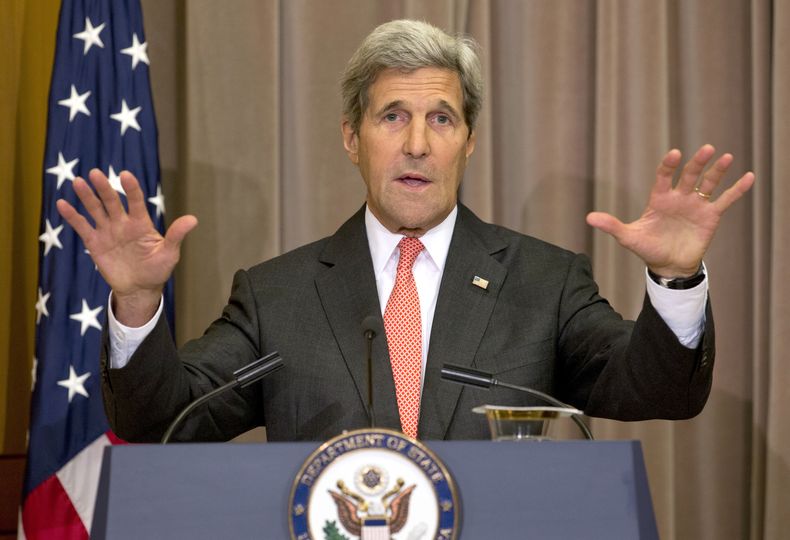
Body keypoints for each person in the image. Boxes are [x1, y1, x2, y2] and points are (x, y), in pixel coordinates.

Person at [57, 20, 754, 442]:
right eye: (392, 116)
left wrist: (675, 280)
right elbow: (160, 421)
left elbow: (659, 391)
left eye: (442, 119)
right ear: (352, 139)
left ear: (469, 142)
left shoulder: (544, 282)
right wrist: (139, 307)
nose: (417, 143)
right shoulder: (278, 295)